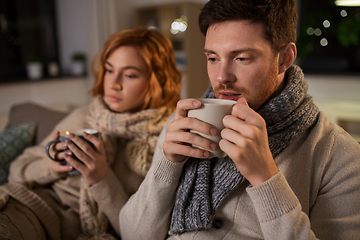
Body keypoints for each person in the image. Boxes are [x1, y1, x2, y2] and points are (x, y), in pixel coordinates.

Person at [119, 0, 360, 239]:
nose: (222, 77)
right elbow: (133, 235)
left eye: (241, 58)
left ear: (285, 58)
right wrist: (167, 166)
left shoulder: (340, 156)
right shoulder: (183, 124)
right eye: (213, 58)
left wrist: (265, 177)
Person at [0, 26, 181, 240]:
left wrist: (101, 177)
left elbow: (140, 231)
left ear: (158, 80)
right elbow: (17, 169)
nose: (113, 84)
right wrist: (54, 167)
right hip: (22, 203)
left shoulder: (167, 142)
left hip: (54, 225)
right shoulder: (86, 115)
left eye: (130, 75)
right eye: (109, 70)